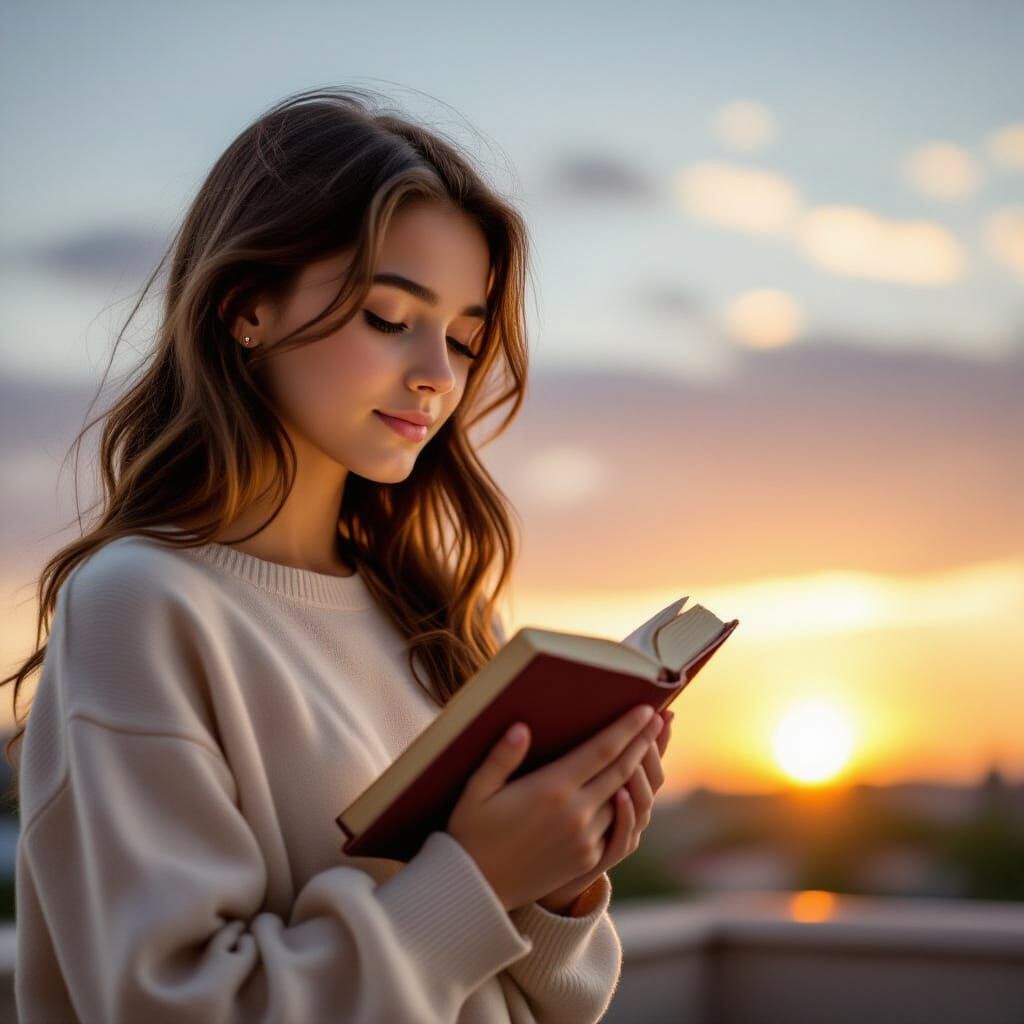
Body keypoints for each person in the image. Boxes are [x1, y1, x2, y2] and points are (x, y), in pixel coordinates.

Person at [4, 86, 674, 1023]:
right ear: (248, 308)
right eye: (391, 318)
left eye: (466, 337)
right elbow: (176, 1004)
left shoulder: (433, 615)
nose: (440, 375)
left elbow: (553, 1001)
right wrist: (477, 877)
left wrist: (561, 879)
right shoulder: (143, 604)